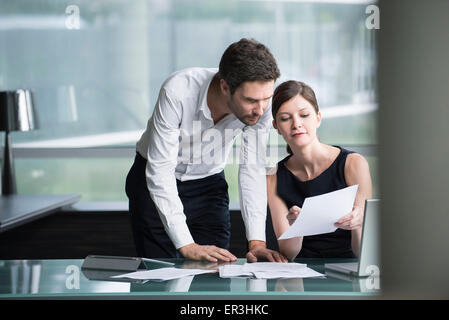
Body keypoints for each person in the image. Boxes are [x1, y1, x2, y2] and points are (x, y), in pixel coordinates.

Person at [125, 38, 287, 263]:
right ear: (224, 87)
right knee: (157, 273)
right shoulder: (178, 91)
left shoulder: (262, 107)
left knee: (216, 269)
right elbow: (160, 170)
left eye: (266, 99)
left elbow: (252, 168)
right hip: (152, 182)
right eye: (250, 100)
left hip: (208, 185)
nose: (260, 109)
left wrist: (257, 241)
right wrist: (186, 244)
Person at [267, 80, 373, 261]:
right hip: (302, 272)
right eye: (285, 118)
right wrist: (299, 226)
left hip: (349, 267)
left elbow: (362, 251)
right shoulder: (273, 178)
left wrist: (359, 223)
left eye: (304, 115)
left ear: (318, 118)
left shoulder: (353, 164)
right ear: (276, 126)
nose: (296, 124)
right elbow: (288, 253)